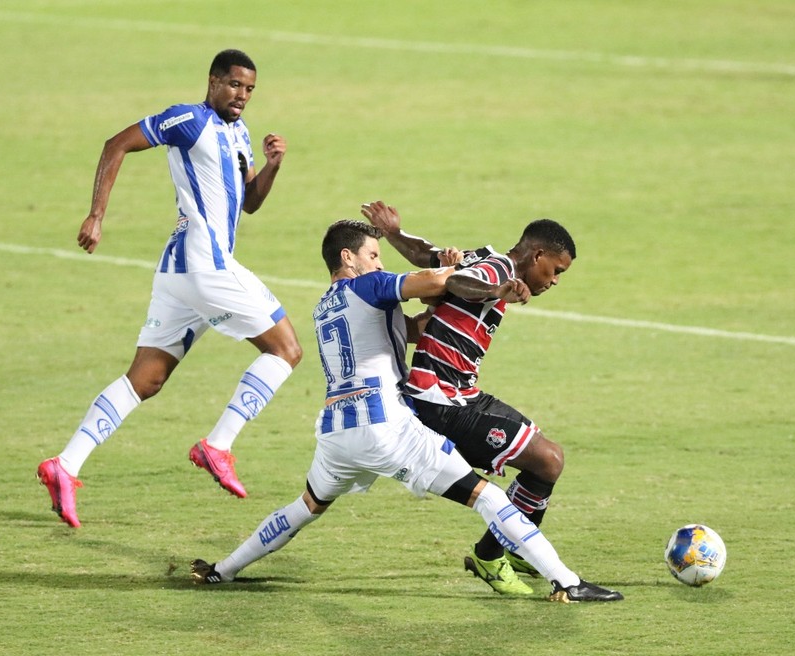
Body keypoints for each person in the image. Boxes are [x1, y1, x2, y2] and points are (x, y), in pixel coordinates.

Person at [190, 220, 621, 603]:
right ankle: (567, 581)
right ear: (349, 258)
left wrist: (444, 277)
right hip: (385, 426)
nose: (378, 263)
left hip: (336, 432)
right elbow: (436, 283)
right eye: (372, 255)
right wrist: (467, 275)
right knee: (487, 496)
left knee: (306, 506)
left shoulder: (325, 307)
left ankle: (222, 570)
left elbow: (415, 328)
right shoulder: (370, 286)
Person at [37, 49, 302, 527]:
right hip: (207, 265)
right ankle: (217, 445)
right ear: (214, 81)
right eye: (235, 85)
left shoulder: (238, 134)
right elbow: (115, 144)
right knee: (286, 350)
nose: (242, 96)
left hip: (180, 274)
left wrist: (272, 165)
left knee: (146, 379)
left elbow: (250, 204)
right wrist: (97, 214)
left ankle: (65, 464)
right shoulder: (188, 119)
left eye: (249, 89)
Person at [361, 200, 576, 596]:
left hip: (463, 392)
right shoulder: (497, 270)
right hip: (440, 400)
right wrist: (496, 291)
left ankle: (508, 548)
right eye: (556, 270)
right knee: (547, 460)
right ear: (537, 254)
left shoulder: (483, 257)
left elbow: (430, 257)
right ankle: (491, 556)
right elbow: (455, 283)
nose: (556, 280)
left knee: (548, 460)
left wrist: (392, 233)